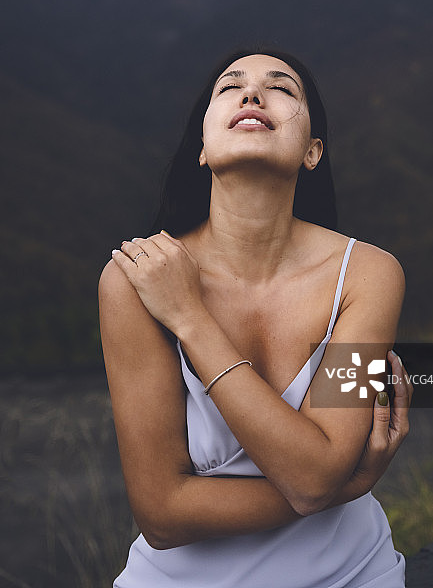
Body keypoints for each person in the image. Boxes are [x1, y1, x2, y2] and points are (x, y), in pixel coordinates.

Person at [99, 50, 413, 588]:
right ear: (202, 149)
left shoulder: (369, 274)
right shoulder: (135, 280)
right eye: (230, 87)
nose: (251, 94)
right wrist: (341, 485)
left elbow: (315, 476)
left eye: (282, 88)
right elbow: (161, 515)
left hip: (354, 574)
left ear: (313, 152)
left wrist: (192, 320)